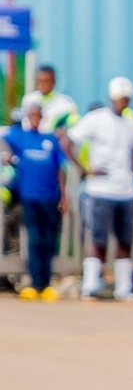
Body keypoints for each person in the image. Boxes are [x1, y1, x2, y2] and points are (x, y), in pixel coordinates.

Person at [62, 77, 133, 302]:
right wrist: (85, 168)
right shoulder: (96, 119)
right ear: (111, 98)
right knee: (97, 238)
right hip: (100, 189)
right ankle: (91, 285)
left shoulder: (132, 123)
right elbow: (67, 140)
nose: (122, 102)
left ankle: (124, 287)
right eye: (119, 98)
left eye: (125, 99)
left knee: (125, 239)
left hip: (125, 190)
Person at [3, 94, 68, 300]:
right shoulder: (20, 137)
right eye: (31, 114)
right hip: (29, 197)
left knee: (48, 240)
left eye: (37, 115)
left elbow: (60, 168)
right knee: (33, 239)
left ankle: (45, 284)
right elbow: (5, 139)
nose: (34, 118)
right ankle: (33, 282)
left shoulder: (49, 140)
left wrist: (63, 195)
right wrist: (7, 156)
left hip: (50, 197)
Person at [23, 64, 77, 135]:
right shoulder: (29, 99)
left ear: (54, 81)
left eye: (47, 81)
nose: (43, 84)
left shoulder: (65, 102)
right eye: (40, 81)